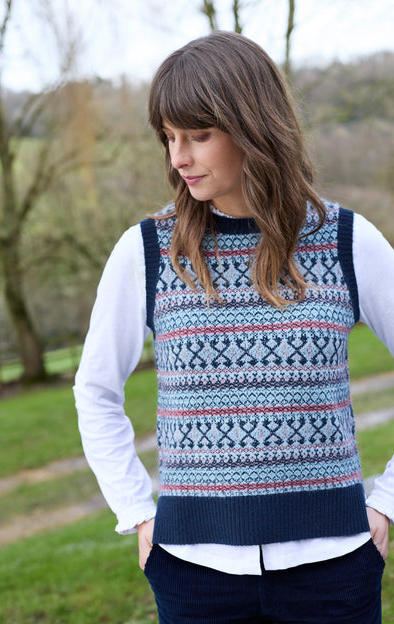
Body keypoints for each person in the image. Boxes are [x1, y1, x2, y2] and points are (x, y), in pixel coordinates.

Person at [74, 31, 394, 623]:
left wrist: (388, 501)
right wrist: (137, 511)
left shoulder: (347, 240)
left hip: (334, 571)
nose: (178, 157)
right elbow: (94, 391)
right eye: (169, 137)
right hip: (194, 579)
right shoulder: (148, 251)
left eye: (198, 135)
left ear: (254, 128)